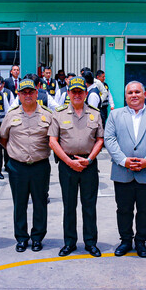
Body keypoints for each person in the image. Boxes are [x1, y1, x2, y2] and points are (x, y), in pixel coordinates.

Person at [104, 81, 146, 258]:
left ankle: (141, 241)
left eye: (137, 92)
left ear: (144, 94)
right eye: (130, 92)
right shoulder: (115, 115)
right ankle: (125, 240)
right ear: (125, 96)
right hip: (122, 171)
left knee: (145, 211)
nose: (134, 95)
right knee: (123, 209)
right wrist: (123, 160)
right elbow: (109, 139)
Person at [49, 76, 104, 257]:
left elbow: (100, 140)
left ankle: (90, 243)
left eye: (81, 91)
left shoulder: (95, 113)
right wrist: (68, 161)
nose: (77, 95)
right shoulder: (59, 113)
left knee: (89, 206)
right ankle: (69, 243)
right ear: (69, 94)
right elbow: (53, 141)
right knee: (69, 206)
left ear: (86, 93)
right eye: (74, 92)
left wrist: (88, 160)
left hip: (89, 164)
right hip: (67, 165)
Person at [0, 79, 54, 252]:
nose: (28, 95)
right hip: (17, 167)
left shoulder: (48, 115)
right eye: (24, 92)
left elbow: (53, 139)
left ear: (37, 93)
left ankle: (37, 237)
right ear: (19, 95)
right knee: (19, 203)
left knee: (40, 203)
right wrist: (14, 151)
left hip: (40, 166)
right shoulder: (11, 115)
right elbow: (3, 137)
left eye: (31, 92)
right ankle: (21, 238)